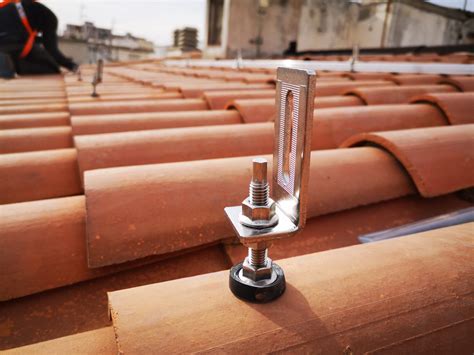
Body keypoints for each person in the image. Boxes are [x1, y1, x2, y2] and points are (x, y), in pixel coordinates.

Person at [0, 0, 78, 78]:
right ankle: (13, 67)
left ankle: (8, 66)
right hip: (16, 47)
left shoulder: (7, 7)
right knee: (52, 68)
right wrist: (71, 66)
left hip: (5, 47)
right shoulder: (50, 18)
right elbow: (51, 49)